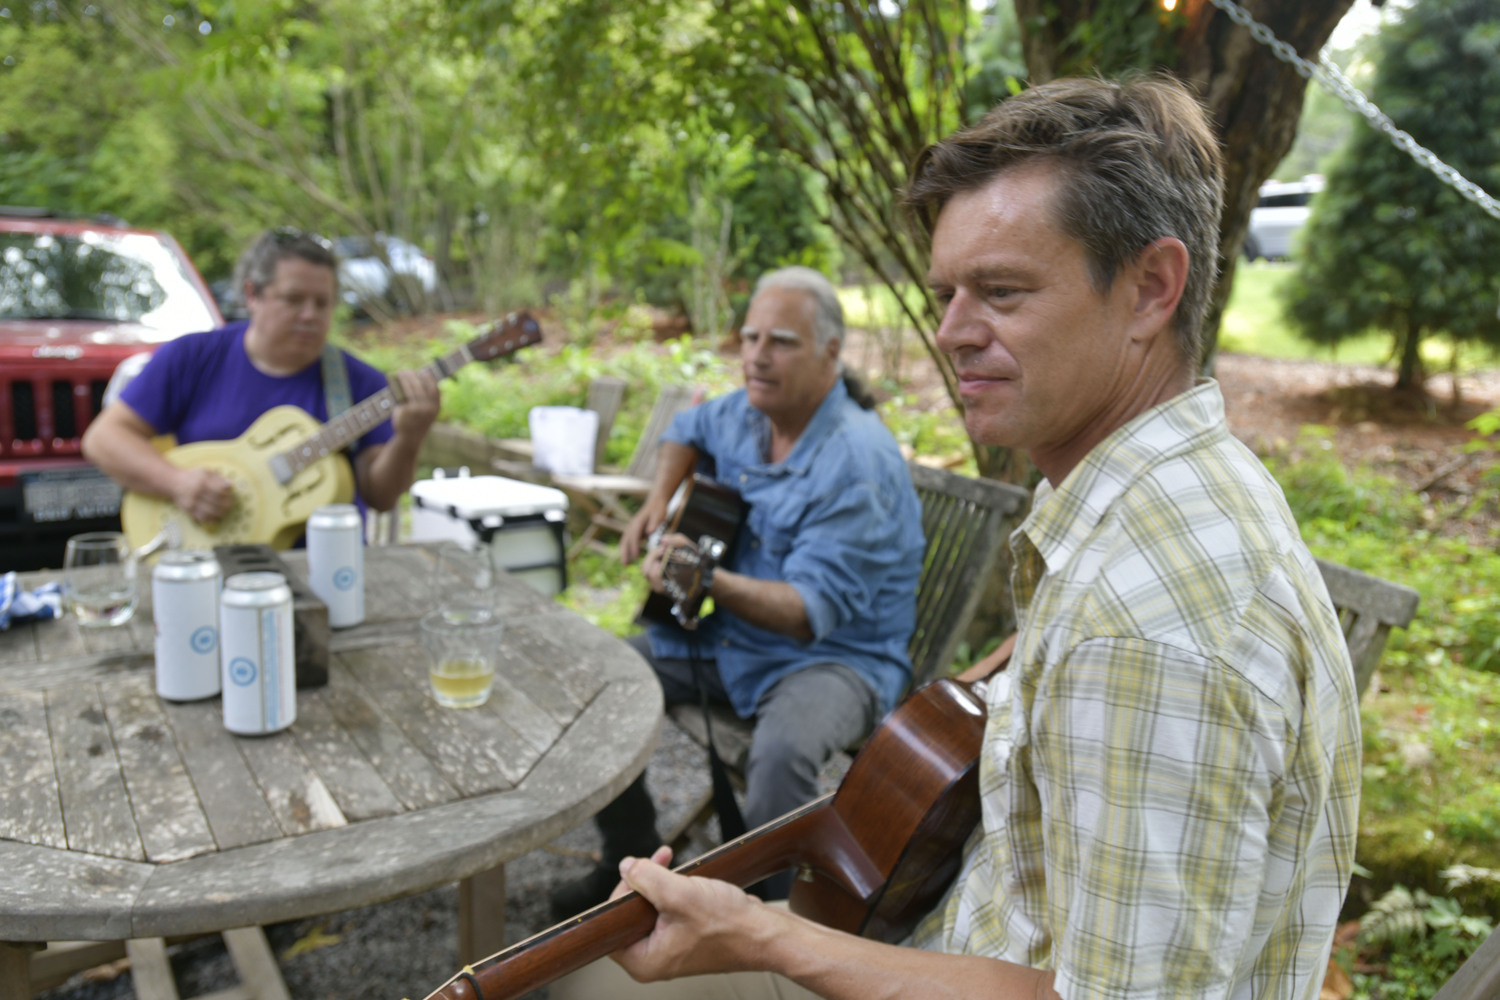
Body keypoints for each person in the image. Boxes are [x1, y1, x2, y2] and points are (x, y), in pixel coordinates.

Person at [550, 76, 1361, 1000]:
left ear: (1150, 290)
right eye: (946, 294)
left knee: (587, 989)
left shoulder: (1143, 626)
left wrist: (767, 938)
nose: (949, 333)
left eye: (1002, 292)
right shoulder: (1166, 499)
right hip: (943, 933)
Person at [548, 265, 926, 919]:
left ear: (830, 354)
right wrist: (659, 506)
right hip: (735, 641)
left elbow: (809, 615)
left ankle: (778, 935)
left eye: (779, 341)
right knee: (601, 679)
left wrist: (701, 578)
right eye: (750, 338)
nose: (756, 355)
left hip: (836, 658)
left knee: (780, 754)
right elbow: (684, 433)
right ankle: (630, 858)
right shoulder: (751, 411)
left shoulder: (855, 464)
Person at [82, 229, 439, 530]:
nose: (309, 315)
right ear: (253, 295)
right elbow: (104, 439)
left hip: (326, 568)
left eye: (322, 303)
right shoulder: (191, 357)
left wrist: (409, 437)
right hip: (207, 558)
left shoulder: (358, 383)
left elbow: (381, 496)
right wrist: (177, 483)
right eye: (293, 299)